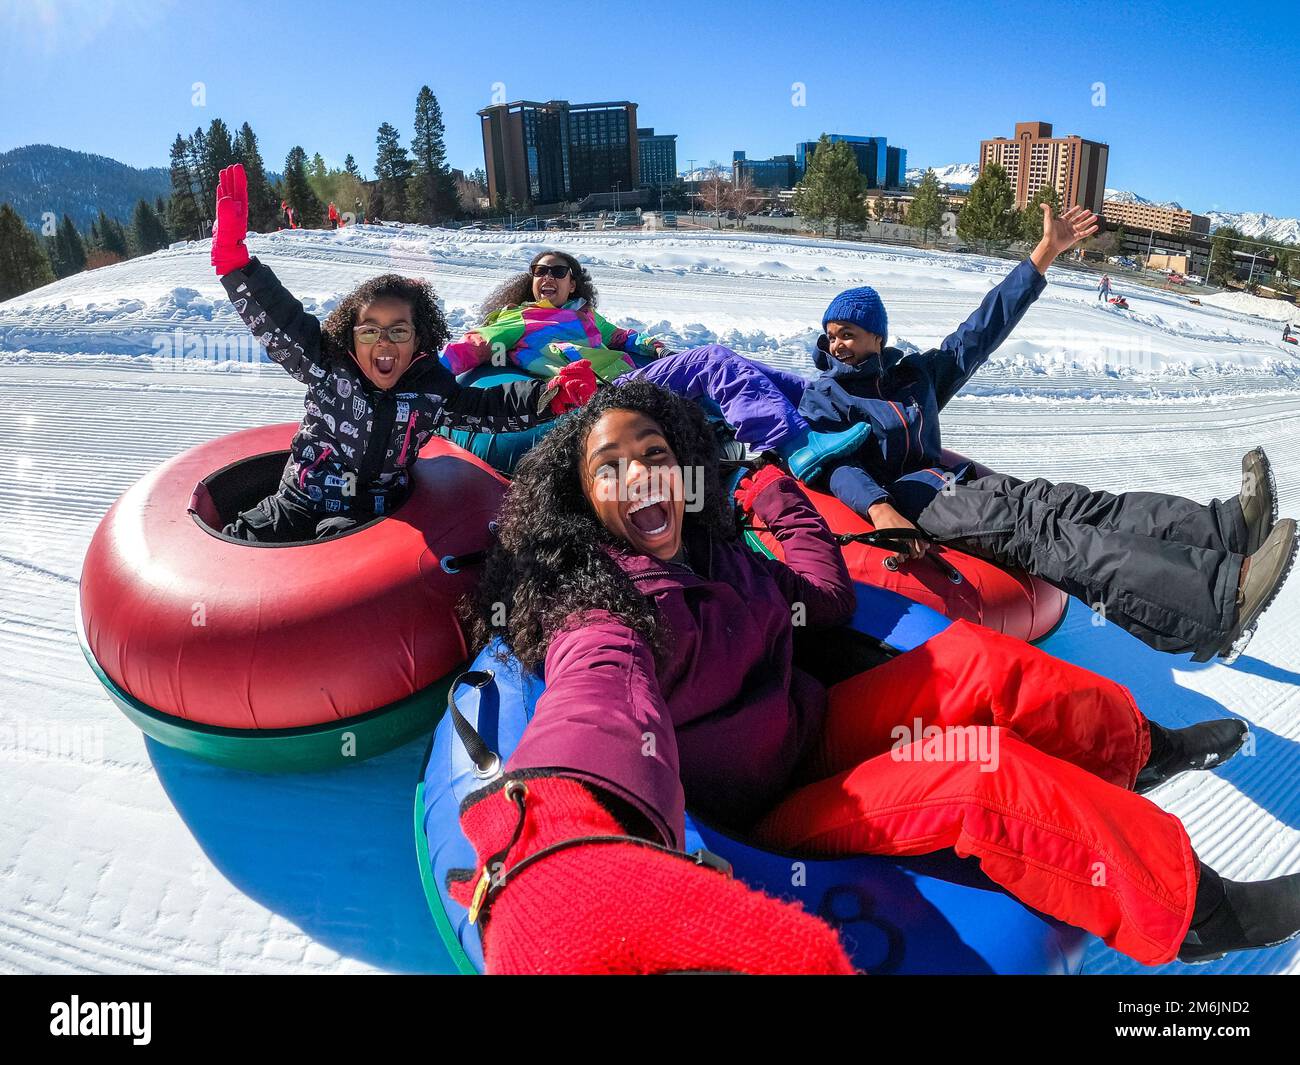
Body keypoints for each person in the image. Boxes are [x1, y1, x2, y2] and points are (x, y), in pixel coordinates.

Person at [449, 379, 1298, 975]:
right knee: (980, 771)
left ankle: (1134, 748)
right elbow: (597, 699)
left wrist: (778, 502)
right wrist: (550, 832)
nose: (640, 473)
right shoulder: (601, 603)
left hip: (813, 725)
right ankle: (1198, 912)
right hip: (763, 817)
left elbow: (820, 598)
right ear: (583, 497)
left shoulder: (716, 555)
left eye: (655, 451)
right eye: (610, 466)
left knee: (975, 664)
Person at [789, 204, 1298, 663]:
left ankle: (1225, 529)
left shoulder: (914, 375)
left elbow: (981, 329)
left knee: (1074, 503)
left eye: (849, 334)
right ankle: (1216, 600)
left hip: (952, 479)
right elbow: (835, 464)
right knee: (1043, 532)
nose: (838, 345)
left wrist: (1045, 252)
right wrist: (881, 509)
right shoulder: (827, 396)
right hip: (912, 496)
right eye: (831, 336)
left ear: (878, 336)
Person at [209, 164, 596, 543]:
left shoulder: (432, 389)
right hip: (300, 496)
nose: (383, 342)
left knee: (347, 577)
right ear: (350, 335)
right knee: (241, 542)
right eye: (370, 331)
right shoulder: (327, 365)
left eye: (398, 331)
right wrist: (236, 264)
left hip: (367, 513)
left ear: (419, 339)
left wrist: (549, 396)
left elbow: (488, 408)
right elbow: (282, 320)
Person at [449, 249, 870, 481]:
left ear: (572, 282)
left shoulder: (585, 317)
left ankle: (836, 408)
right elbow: (471, 347)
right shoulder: (518, 318)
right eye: (539, 272)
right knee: (713, 359)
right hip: (599, 395)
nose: (547, 278)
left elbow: (621, 337)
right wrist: (423, 374)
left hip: (626, 378)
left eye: (557, 272)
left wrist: (650, 343)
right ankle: (795, 449)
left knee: (742, 366)